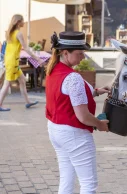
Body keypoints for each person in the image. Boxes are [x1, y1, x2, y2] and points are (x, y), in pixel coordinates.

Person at [45, 31, 110, 194]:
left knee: (66, 179)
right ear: (65, 53)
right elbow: (83, 116)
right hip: (74, 133)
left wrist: (96, 91)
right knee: (89, 184)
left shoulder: (54, 69)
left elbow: (68, 94)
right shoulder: (72, 77)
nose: (83, 57)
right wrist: (100, 124)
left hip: (56, 130)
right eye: (80, 53)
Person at [0, 14, 43, 111]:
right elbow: (26, 48)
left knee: (23, 80)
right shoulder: (18, 33)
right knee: (7, 83)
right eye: (23, 21)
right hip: (13, 62)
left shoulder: (9, 33)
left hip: (10, 60)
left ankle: (27, 102)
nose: (24, 22)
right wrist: (38, 59)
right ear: (18, 22)